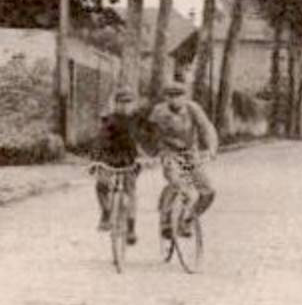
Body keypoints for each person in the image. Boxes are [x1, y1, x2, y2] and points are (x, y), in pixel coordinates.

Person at [146, 78, 220, 236]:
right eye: (170, 96)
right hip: (169, 152)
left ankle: (188, 220)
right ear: (166, 98)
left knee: (208, 192)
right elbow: (149, 134)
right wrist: (151, 154)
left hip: (189, 154)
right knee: (176, 181)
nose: (175, 99)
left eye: (179, 95)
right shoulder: (159, 112)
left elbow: (206, 128)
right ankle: (166, 219)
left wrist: (211, 149)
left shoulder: (193, 109)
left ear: (185, 97)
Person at [92, 89, 147, 243]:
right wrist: (95, 159)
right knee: (101, 184)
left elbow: (146, 140)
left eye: (128, 103)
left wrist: (146, 156)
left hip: (130, 160)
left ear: (133, 104)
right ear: (115, 104)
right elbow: (100, 140)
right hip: (110, 158)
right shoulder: (109, 120)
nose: (124, 106)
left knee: (131, 193)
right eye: (121, 103)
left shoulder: (138, 121)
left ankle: (131, 228)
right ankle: (106, 212)